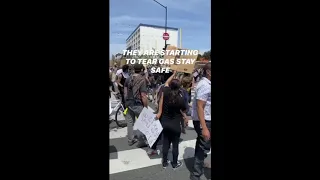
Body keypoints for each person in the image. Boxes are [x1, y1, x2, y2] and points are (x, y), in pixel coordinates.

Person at [155, 70, 187, 169]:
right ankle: (174, 163)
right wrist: (185, 118)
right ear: (179, 87)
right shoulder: (181, 98)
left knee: (165, 143)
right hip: (176, 124)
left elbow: (166, 83)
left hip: (165, 122)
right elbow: (183, 110)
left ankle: (164, 162)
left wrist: (174, 73)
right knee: (175, 145)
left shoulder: (165, 91)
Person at [190, 63, 211, 180]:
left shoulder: (207, 84)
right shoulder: (205, 85)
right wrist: (204, 128)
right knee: (203, 146)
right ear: (208, 72)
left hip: (207, 119)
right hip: (205, 121)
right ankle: (196, 175)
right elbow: (199, 106)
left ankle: (199, 166)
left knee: (203, 145)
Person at [124, 63, 149, 146]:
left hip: (129, 103)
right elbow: (143, 95)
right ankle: (142, 141)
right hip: (138, 104)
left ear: (134, 69)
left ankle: (130, 139)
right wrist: (146, 106)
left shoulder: (128, 78)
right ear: (141, 69)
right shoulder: (142, 79)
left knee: (130, 122)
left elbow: (125, 91)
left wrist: (126, 101)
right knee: (143, 122)